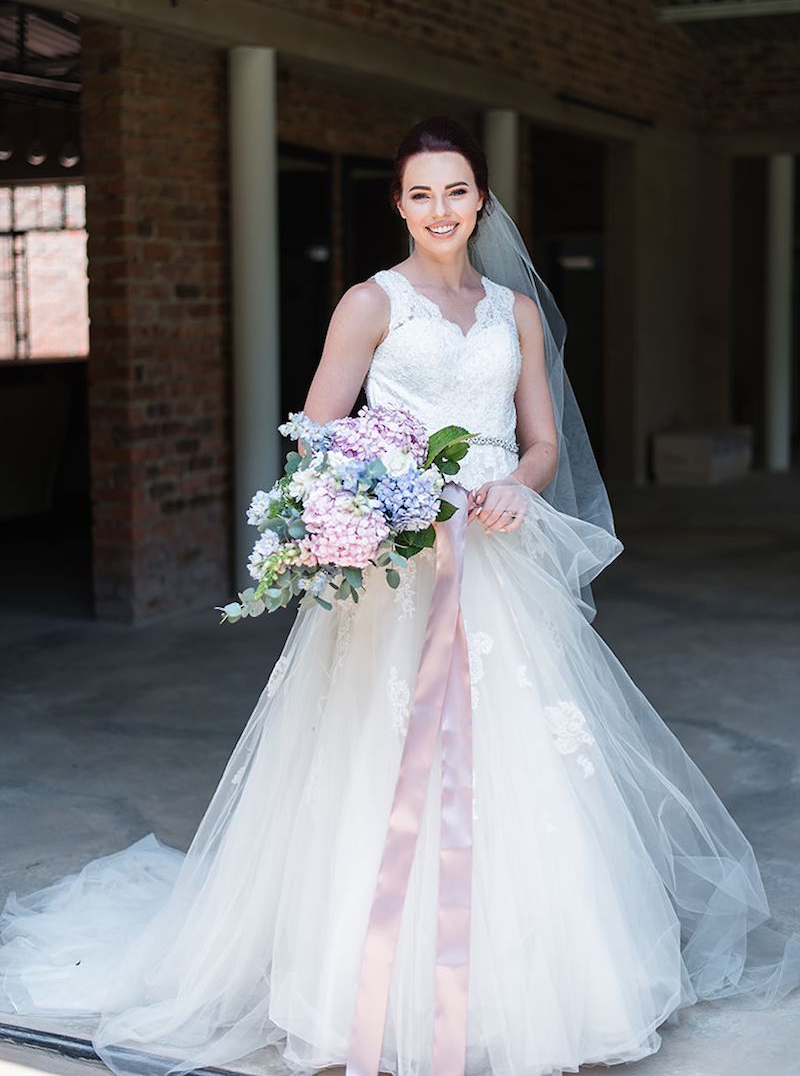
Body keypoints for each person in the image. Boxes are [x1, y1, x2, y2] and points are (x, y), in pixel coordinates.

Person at [1, 116, 798, 1076]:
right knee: (377, 765)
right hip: (397, 574)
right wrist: (385, 502)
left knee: (519, 760)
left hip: (500, 564)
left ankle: (533, 989)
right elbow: (319, 431)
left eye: (457, 191)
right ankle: (362, 989)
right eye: (421, 193)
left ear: (483, 199)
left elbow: (540, 442)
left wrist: (514, 484)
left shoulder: (518, 312)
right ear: (399, 204)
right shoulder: (370, 303)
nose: (440, 210)